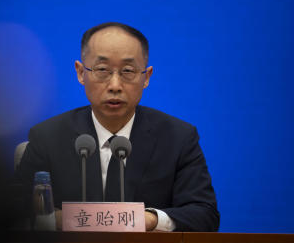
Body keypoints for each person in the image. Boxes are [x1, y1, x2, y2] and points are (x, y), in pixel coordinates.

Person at [14, 22, 218, 232]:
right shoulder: (47, 137)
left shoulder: (178, 138)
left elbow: (205, 214)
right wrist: (51, 218)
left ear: (146, 77)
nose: (114, 85)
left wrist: (149, 219)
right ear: (81, 72)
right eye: (102, 70)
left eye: (127, 71)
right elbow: (13, 212)